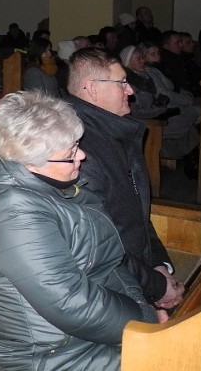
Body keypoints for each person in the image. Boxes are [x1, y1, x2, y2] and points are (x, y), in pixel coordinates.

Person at [0, 91, 162, 371]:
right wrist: (144, 322)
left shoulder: (55, 186)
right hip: (49, 357)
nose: (81, 155)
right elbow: (70, 303)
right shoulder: (12, 214)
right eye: (70, 153)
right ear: (32, 162)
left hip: (84, 339)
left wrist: (142, 309)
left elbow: (111, 262)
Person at [66, 48, 184, 308]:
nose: (130, 90)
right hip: (105, 288)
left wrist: (157, 263)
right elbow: (97, 247)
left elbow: (136, 214)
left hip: (136, 273)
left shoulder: (117, 132)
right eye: (121, 83)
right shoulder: (78, 150)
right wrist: (155, 286)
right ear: (92, 89)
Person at [119, 45, 199, 170]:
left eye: (142, 58)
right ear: (128, 63)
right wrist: (162, 108)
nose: (143, 61)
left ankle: (191, 160)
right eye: (139, 59)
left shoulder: (144, 77)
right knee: (192, 116)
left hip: (155, 117)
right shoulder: (129, 83)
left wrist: (161, 105)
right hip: (144, 125)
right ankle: (190, 160)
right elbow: (137, 112)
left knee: (191, 120)